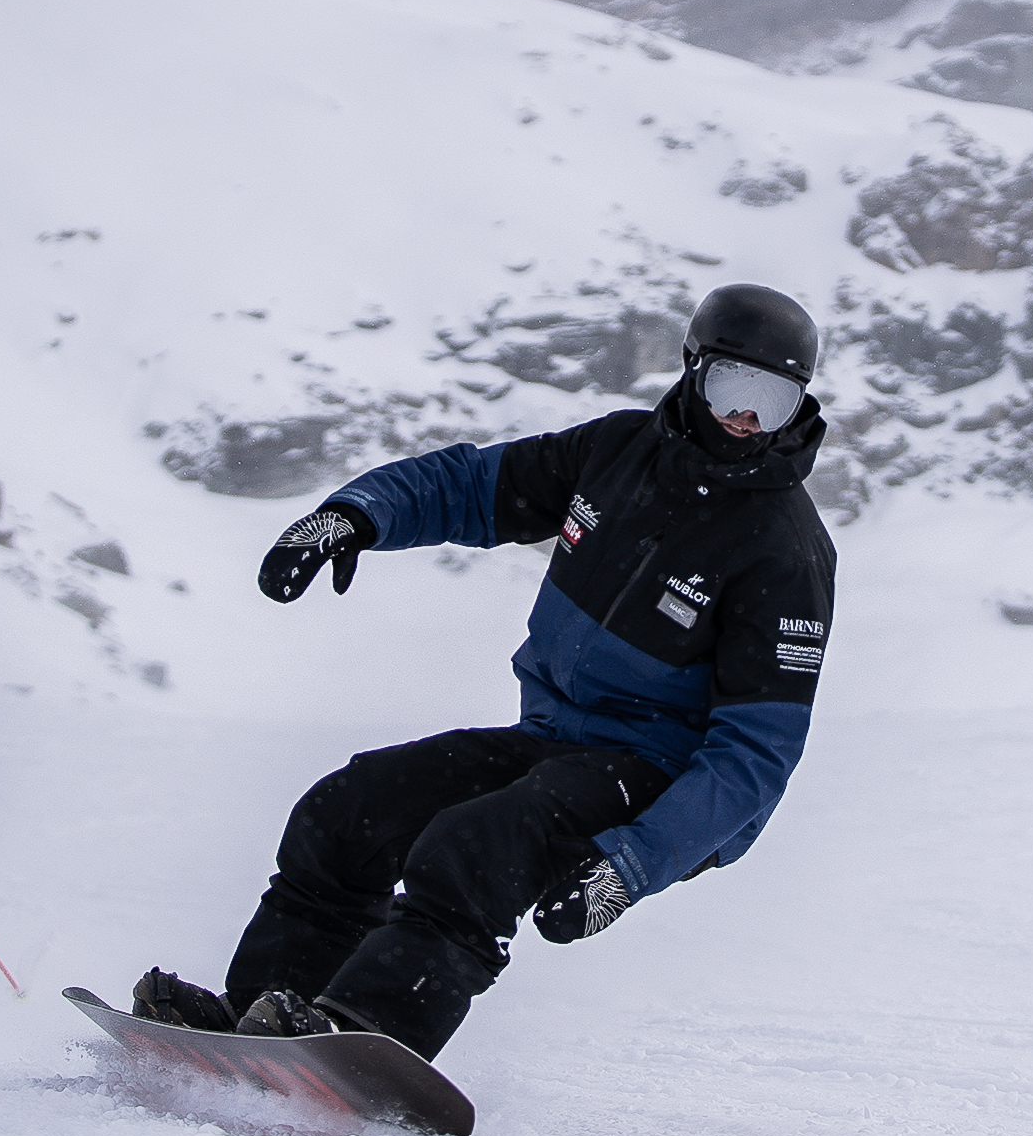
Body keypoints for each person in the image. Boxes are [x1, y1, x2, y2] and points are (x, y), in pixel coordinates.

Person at [129, 284, 838, 1061]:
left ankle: (368, 1037)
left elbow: (754, 757)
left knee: (478, 843)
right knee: (350, 809)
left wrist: (629, 868)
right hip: (556, 739)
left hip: (662, 774)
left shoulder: (785, 551)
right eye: (734, 386)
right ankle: (263, 1011)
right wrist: (356, 515)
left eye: (773, 400)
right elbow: (472, 485)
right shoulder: (615, 456)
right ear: (693, 370)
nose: (747, 417)